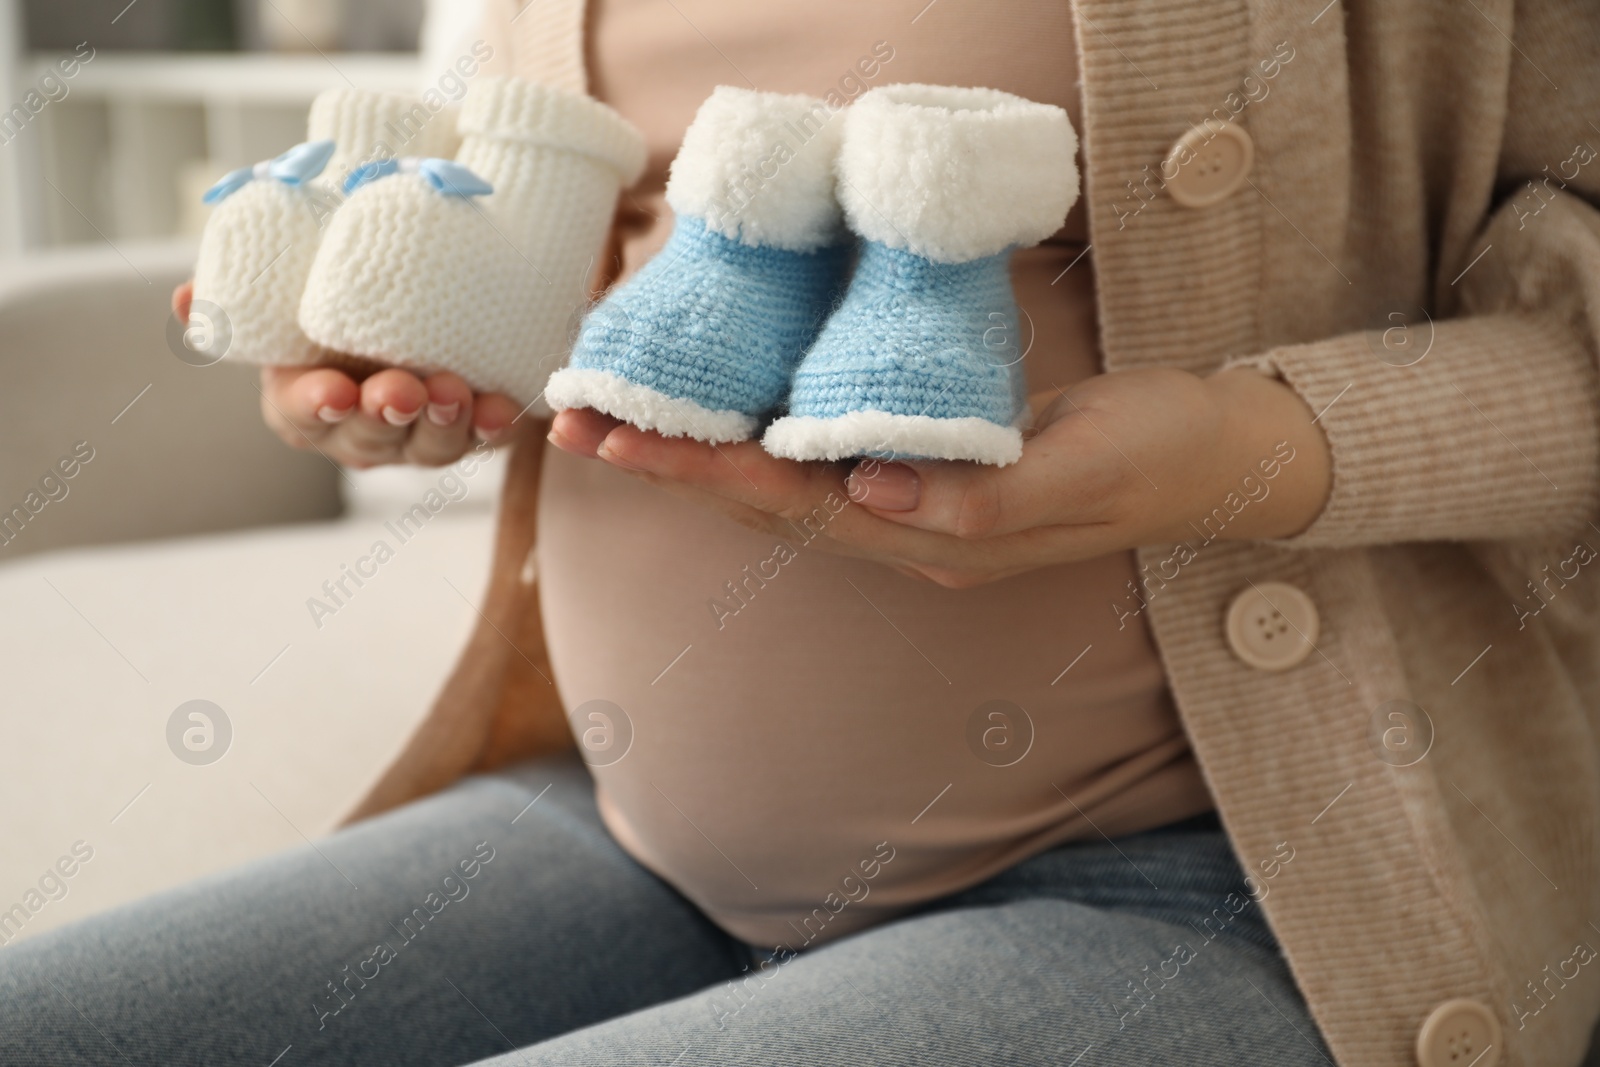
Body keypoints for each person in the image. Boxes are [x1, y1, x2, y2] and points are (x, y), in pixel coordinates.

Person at [5, 2, 1600, 1065]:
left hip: (1219, 883)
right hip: (627, 820)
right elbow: (538, 227)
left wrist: (1238, 457)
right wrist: (396, 371)